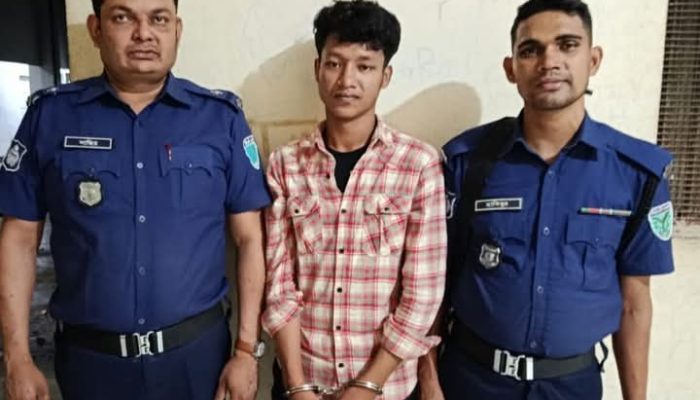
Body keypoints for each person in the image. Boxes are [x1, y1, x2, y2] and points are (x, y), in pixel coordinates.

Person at [0, 0, 270, 399]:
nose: (144, 33)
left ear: (177, 29)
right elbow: (19, 239)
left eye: (158, 19)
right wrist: (17, 357)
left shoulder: (220, 118)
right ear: (96, 28)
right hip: (91, 364)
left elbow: (250, 240)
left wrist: (247, 350)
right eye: (123, 17)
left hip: (197, 361)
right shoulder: (50, 117)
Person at [418, 0, 675, 399]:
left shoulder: (637, 175)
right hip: (471, 380)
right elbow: (434, 279)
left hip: (572, 386)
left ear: (593, 59)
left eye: (567, 45)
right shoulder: (467, 162)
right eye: (530, 50)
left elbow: (634, 304)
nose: (549, 62)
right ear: (511, 69)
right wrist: (429, 380)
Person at [261, 1, 447, 399]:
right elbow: (279, 286)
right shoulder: (285, 164)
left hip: (387, 388)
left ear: (385, 76)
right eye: (335, 64)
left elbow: (422, 293)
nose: (347, 80)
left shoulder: (418, 164)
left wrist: (367, 385)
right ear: (318, 69)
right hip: (303, 382)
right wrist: (297, 385)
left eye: (364, 66)